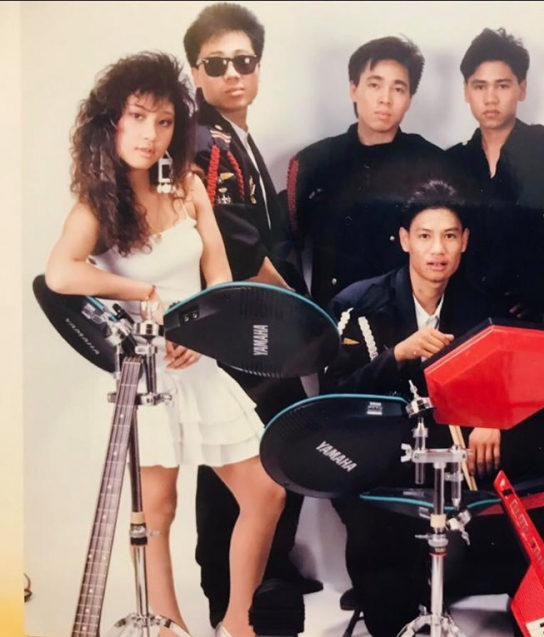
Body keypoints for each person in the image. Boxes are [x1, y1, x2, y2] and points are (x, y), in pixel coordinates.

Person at [44, 52, 284, 637]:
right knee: (157, 512)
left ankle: (238, 623)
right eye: (137, 117)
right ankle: (168, 626)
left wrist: (204, 333)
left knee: (266, 492)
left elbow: (220, 278)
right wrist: (143, 291)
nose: (150, 135)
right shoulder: (98, 205)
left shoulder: (188, 186)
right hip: (145, 374)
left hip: (197, 363)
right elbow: (60, 273)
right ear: (111, 122)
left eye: (164, 121)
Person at [321, 179, 544, 636]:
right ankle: (397, 592)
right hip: (385, 449)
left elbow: (508, 378)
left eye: (449, 236)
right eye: (425, 236)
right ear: (405, 240)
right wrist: (396, 356)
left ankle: (534, 586)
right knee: (388, 593)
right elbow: (335, 395)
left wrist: (492, 419)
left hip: (455, 445)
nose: (437, 249)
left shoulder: (480, 304)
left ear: (464, 242)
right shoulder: (358, 304)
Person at [183, 4, 319, 624]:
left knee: (275, 442)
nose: (233, 74)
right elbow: (240, 248)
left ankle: (267, 572)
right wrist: (300, 310)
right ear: (195, 72)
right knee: (234, 458)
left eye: (244, 61)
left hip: (251, 324)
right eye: (217, 64)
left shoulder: (230, 133)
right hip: (234, 326)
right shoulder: (203, 140)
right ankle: (228, 596)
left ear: (259, 67)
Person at [446, 27, 544, 321]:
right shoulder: (452, 162)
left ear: (522, 88)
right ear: (466, 91)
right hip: (470, 318)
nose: (490, 98)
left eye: (502, 85)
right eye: (479, 86)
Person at [286, 35, 445, 310]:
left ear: (409, 99)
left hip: (407, 321)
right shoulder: (313, 163)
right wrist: (301, 309)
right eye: (374, 85)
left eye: (398, 89)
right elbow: (287, 247)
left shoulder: (432, 164)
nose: (385, 99)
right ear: (353, 89)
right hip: (332, 318)